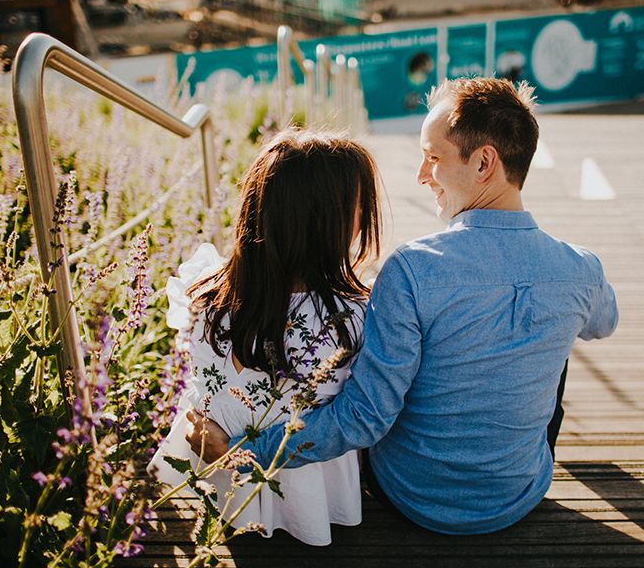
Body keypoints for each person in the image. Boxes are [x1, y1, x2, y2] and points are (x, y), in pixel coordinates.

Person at [184, 77, 619, 536]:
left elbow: (365, 419)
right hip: (519, 495)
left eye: (433, 157)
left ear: (484, 163)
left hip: (410, 493)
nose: (420, 175)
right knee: (558, 328)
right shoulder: (581, 267)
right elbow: (604, 323)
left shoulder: (412, 269)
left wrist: (240, 450)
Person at [148, 129, 383, 546]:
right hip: (308, 489)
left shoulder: (204, 290)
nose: (364, 218)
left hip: (214, 469)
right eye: (359, 207)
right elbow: (363, 411)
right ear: (327, 225)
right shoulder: (352, 317)